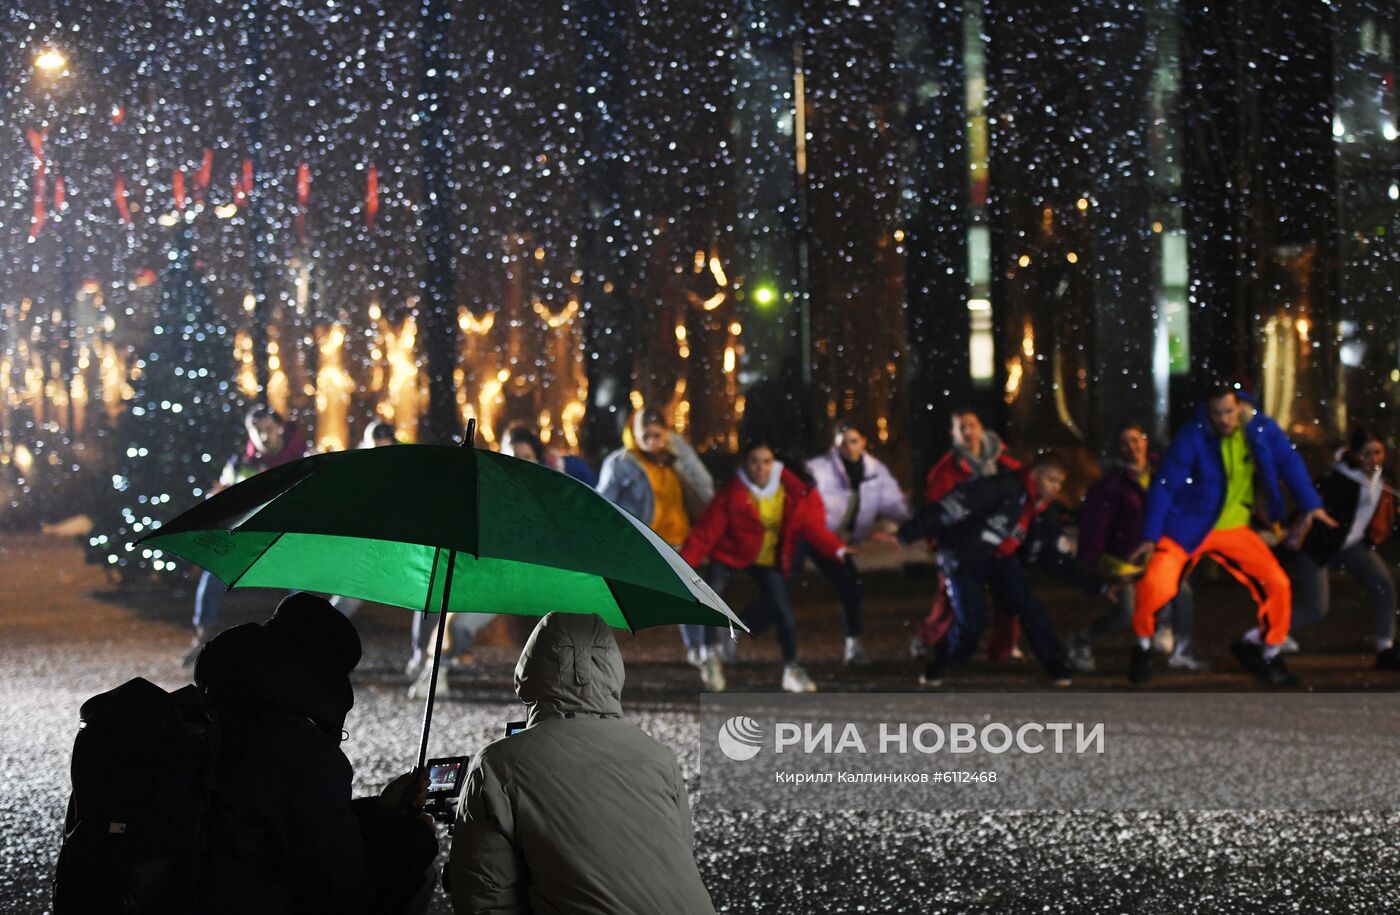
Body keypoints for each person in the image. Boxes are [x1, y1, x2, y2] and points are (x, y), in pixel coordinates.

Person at [447, 611, 715, 915]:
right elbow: (679, 852)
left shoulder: (499, 766)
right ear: (612, 669)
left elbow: (484, 897)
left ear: (532, 668)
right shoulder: (657, 755)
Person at [195, 592, 439, 915]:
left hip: (187, 894)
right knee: (420, 876)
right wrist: (416, 836)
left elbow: (289, 820)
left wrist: (377, 811)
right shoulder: (301, 752)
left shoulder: (217, 710)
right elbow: (349, 893)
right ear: (328, 674)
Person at [1126, 383, 1337, 686]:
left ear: (1240, 406)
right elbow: (1165, 485)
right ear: (1208, 412)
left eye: (1228, 411)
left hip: (1234, 528)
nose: (1224, 419)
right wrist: (1151, 534)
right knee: (1155, 587)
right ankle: (1143, 645)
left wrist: (1311, 504)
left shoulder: (1260, 429)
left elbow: (1289, 461)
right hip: (1187, 527)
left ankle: (1269, 651)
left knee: (1276, 584)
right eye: (1217, 413)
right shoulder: (1194, 435)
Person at [885, 452, 1098, 688]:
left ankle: (1055, 664)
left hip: (999, 560)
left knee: (1028, 606)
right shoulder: (1001, 487)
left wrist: (1099, 584)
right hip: (963, 555)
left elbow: (1058, 558)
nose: (1056, 487)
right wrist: (907, 533)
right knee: (973, 619)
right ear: (1035, 476)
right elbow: (951, 507)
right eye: (1051, 479)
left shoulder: (1043, 513)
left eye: (1060, 482)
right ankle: (943, 661)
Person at [680, 441, 852, 693]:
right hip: (730, 553)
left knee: (783, 611)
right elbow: (706, 532)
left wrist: (836, 548)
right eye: (754, 461)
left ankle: (792, 669)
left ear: (775, 465)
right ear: (744, 464)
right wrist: (683, 566)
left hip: (766, 559)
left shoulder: (789, 491)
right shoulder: (733, 493)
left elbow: (811, 526)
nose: (760, 467)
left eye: (766, 461)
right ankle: (710, 657)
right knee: (710, 596)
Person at [1067, 423, 1207, 674]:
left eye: (1136, 440)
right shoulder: (1112, 484)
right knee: (1125, 611)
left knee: (1182, 592)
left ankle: (1179, 646)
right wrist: (1092, 562)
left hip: (1156, 553)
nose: (1132, 447)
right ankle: (1082, 641)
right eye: (1125, 443)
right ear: (1118, 449)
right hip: (1123, 558)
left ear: (1145, 440)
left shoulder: (1164, 472)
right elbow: (1096, 523)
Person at [182, 404, 307, 666]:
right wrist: (216, 497)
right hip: (247, 539)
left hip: (287, 538)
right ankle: (202, 635)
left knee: (300, 587)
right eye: (257, 431)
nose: (263, 437)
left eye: (268, 430)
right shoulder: (240, 463)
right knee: (213, 571)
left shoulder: (302, 459)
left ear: (280, 429)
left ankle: (302, 644)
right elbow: (220, 494)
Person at [597, 410, 716, 675]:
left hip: (679, 542)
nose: (651, 440)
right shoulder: (621, 463)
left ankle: (699, 652)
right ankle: (596, 655)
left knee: (693, 599)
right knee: (618, 600)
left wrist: (678, 462)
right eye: (645, 435)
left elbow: (705, 490)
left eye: (657, 435)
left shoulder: (678, 455)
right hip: (643, 545)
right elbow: (603, 503)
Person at [1280, 427, 1400, 669]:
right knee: (1316, 607)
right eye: (1367, 454)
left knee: (1383, 586)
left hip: (1352, 545)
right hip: (1319, 548)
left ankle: (1385, 647)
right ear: (1355, 455)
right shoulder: (1338, 480)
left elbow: (1390, 511)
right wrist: (1284, 529)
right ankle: (1270, 631)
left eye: (1378, 453)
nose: (1373, 460)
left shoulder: (1385, 477)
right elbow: (1308, 503)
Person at [913, 408, 1025, 661]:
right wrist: (938, 544)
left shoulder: (1004, 463)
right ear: (953, 434)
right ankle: (928, 638)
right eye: (961, 427)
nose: (968, 432)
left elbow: (1023, 492)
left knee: (1008, 595)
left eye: (972, 425)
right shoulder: (945, 472)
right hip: (961, 545)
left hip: (998, 540)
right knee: (950, 599)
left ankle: (1004, 647)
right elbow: (936, 510)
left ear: (981, 428)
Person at [796, 420, 911, 665]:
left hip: (839, 542)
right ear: (834, 444)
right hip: (812, 536)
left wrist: (915, 525)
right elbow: (801, 501)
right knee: (780, 587)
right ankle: (735, 633)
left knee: (850, 587)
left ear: (864, 443)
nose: (848, 446)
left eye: (854, 440)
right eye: (843, 441)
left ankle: (853, 645)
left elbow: (893, 504)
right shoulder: (818, 469)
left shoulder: (874, 470)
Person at [503, 424, 599, 487]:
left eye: (527, 457)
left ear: (536, 456)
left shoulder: (573, 466)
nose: (521, 463)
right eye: (515, 458)